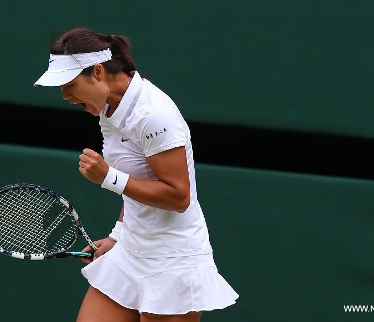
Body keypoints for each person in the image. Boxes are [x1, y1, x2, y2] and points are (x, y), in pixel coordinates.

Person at [34, 26, 238, 322]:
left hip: (172, 262)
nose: (65, 95)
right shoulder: (109, 109)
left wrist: (108, 177)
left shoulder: (154, 115)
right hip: (130, 252)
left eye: (70, 84)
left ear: (99, 72)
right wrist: (118, 236)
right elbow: (139, 182)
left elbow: (179, 196)